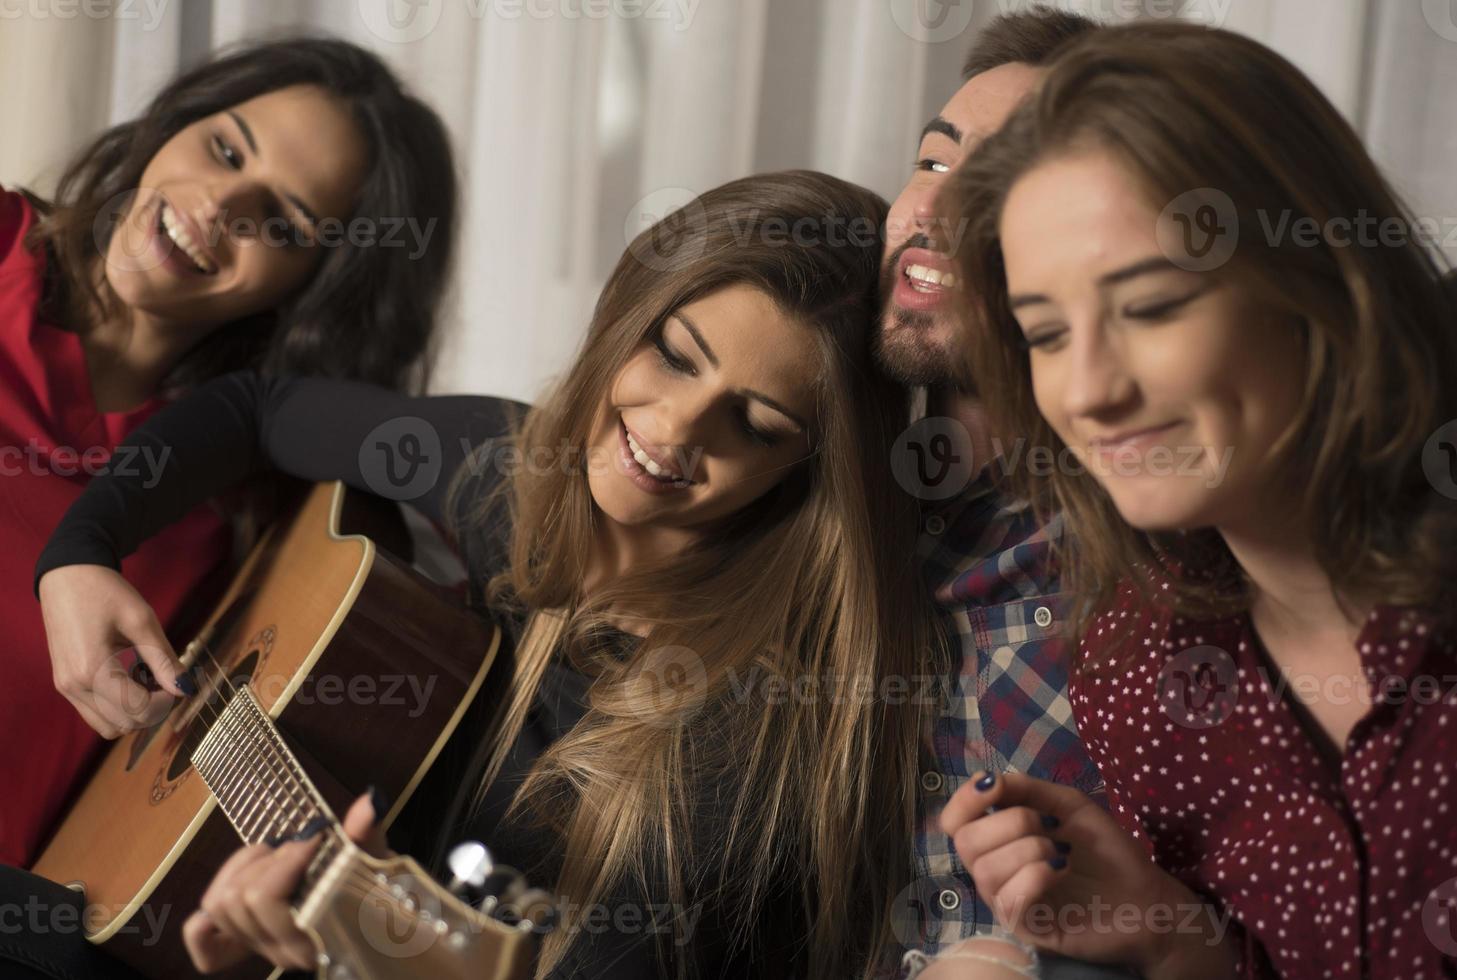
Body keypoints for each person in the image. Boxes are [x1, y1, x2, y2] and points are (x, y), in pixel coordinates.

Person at [28, 171, 941, 980]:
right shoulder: (507, 471)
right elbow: (258, 406)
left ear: (812, 474)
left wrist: (355, 948)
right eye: (673, 355)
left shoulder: (736, 739)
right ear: (627, 317)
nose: (672, 430)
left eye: (757, 424)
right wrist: (81, 552)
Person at [934, 19, 1457, 979]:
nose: (1088, 390)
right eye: (1045, 334)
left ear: (1321, 279)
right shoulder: (1138, 663)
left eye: (1152, 307)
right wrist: (1171, 934)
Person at [1, 36, 458, 869]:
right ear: (178, 120)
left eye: (280, 222)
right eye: (223, 148)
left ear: (318, 286)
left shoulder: (257, 519)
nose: (217, 206)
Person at [870, 10, 1133, 979]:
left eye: (1000, 187)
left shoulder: (1129, 562)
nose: (933, 214)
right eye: (931, 164)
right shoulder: (816, 471)